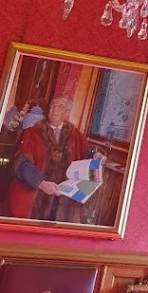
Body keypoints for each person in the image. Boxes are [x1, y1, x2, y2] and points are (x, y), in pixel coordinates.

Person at [8, 96, 103, 224]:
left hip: (64, 199)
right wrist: (41, 182)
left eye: (60, 107)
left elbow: (86, 154)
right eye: (52, 106)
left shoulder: (76, 136)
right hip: (36, 195)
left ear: (67, 113)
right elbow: (21, 163)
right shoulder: (32, 133)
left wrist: (96, 155)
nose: (54, 110)